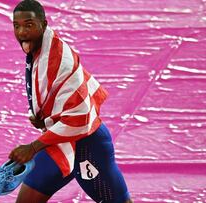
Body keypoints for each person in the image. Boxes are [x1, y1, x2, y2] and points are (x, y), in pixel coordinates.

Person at [8, 0, 133, 202]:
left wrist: (32, 148)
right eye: (17, 25)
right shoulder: (39, 48)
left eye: (29, 25)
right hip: (58, 144)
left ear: (44, 24)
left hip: (88, 145)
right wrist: (47, 119)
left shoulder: (59, 61)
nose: (21, 32)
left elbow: (81, 118)